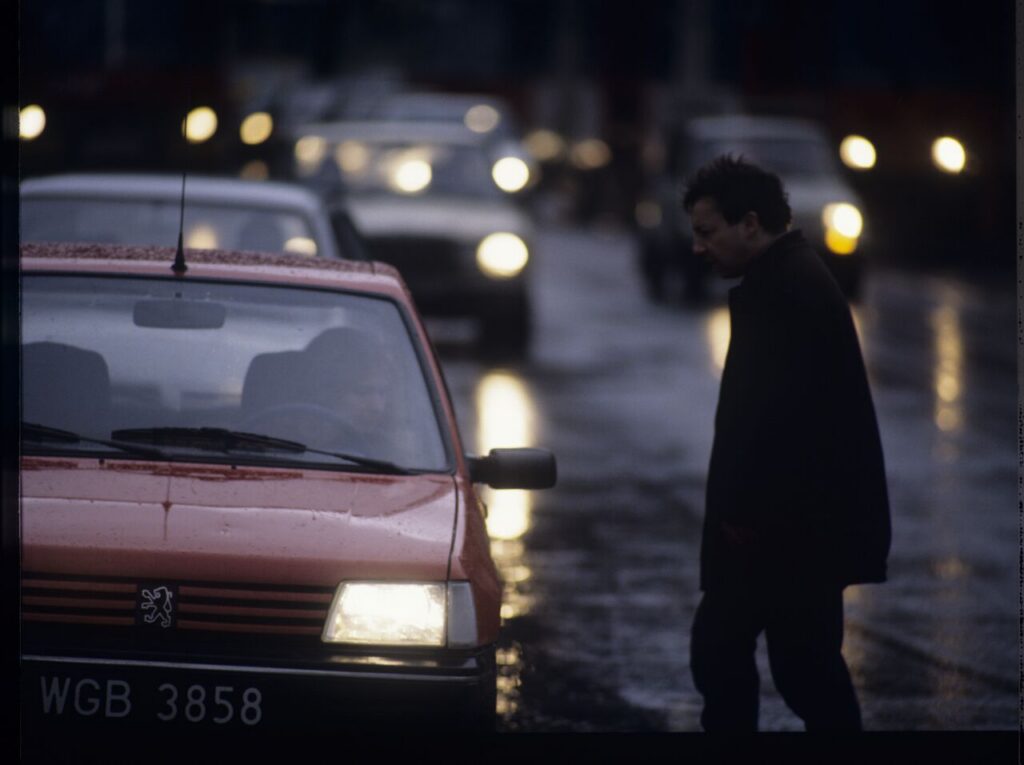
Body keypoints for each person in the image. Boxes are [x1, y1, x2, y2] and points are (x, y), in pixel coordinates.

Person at [682, 155, 891, 731]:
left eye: (708, 232)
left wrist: (750, 518)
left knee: (767, 660)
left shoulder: (790, 290)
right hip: (785, 532)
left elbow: (791, 426)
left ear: (750, 224)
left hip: (784, 535)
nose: (699, 248)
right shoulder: (784, 279)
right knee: (782, 662)